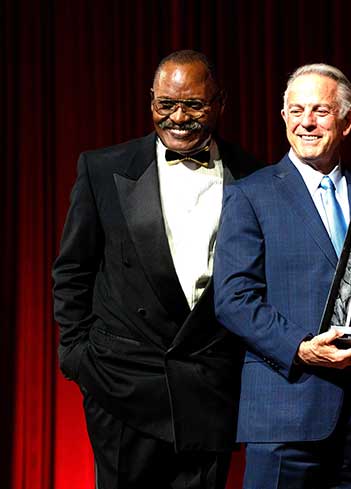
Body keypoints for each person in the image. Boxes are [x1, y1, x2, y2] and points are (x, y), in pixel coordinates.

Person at [52, 50, 263, 488]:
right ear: (151, 101)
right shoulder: (103, 168)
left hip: (209, 387)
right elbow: (73, 269)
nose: (178, 117)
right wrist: (77, 358)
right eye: (166, 104)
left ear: (220, 103)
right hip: (122, 386)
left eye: (194, 104)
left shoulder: (255, 177)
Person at [213, 63, 351, 489]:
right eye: (296, 110)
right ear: (283, 118)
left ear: (348, 120)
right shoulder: (249, 195)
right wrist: (301, 348)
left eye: (320, 110)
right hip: (285, 413)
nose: (307, 122)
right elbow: (233, 299)